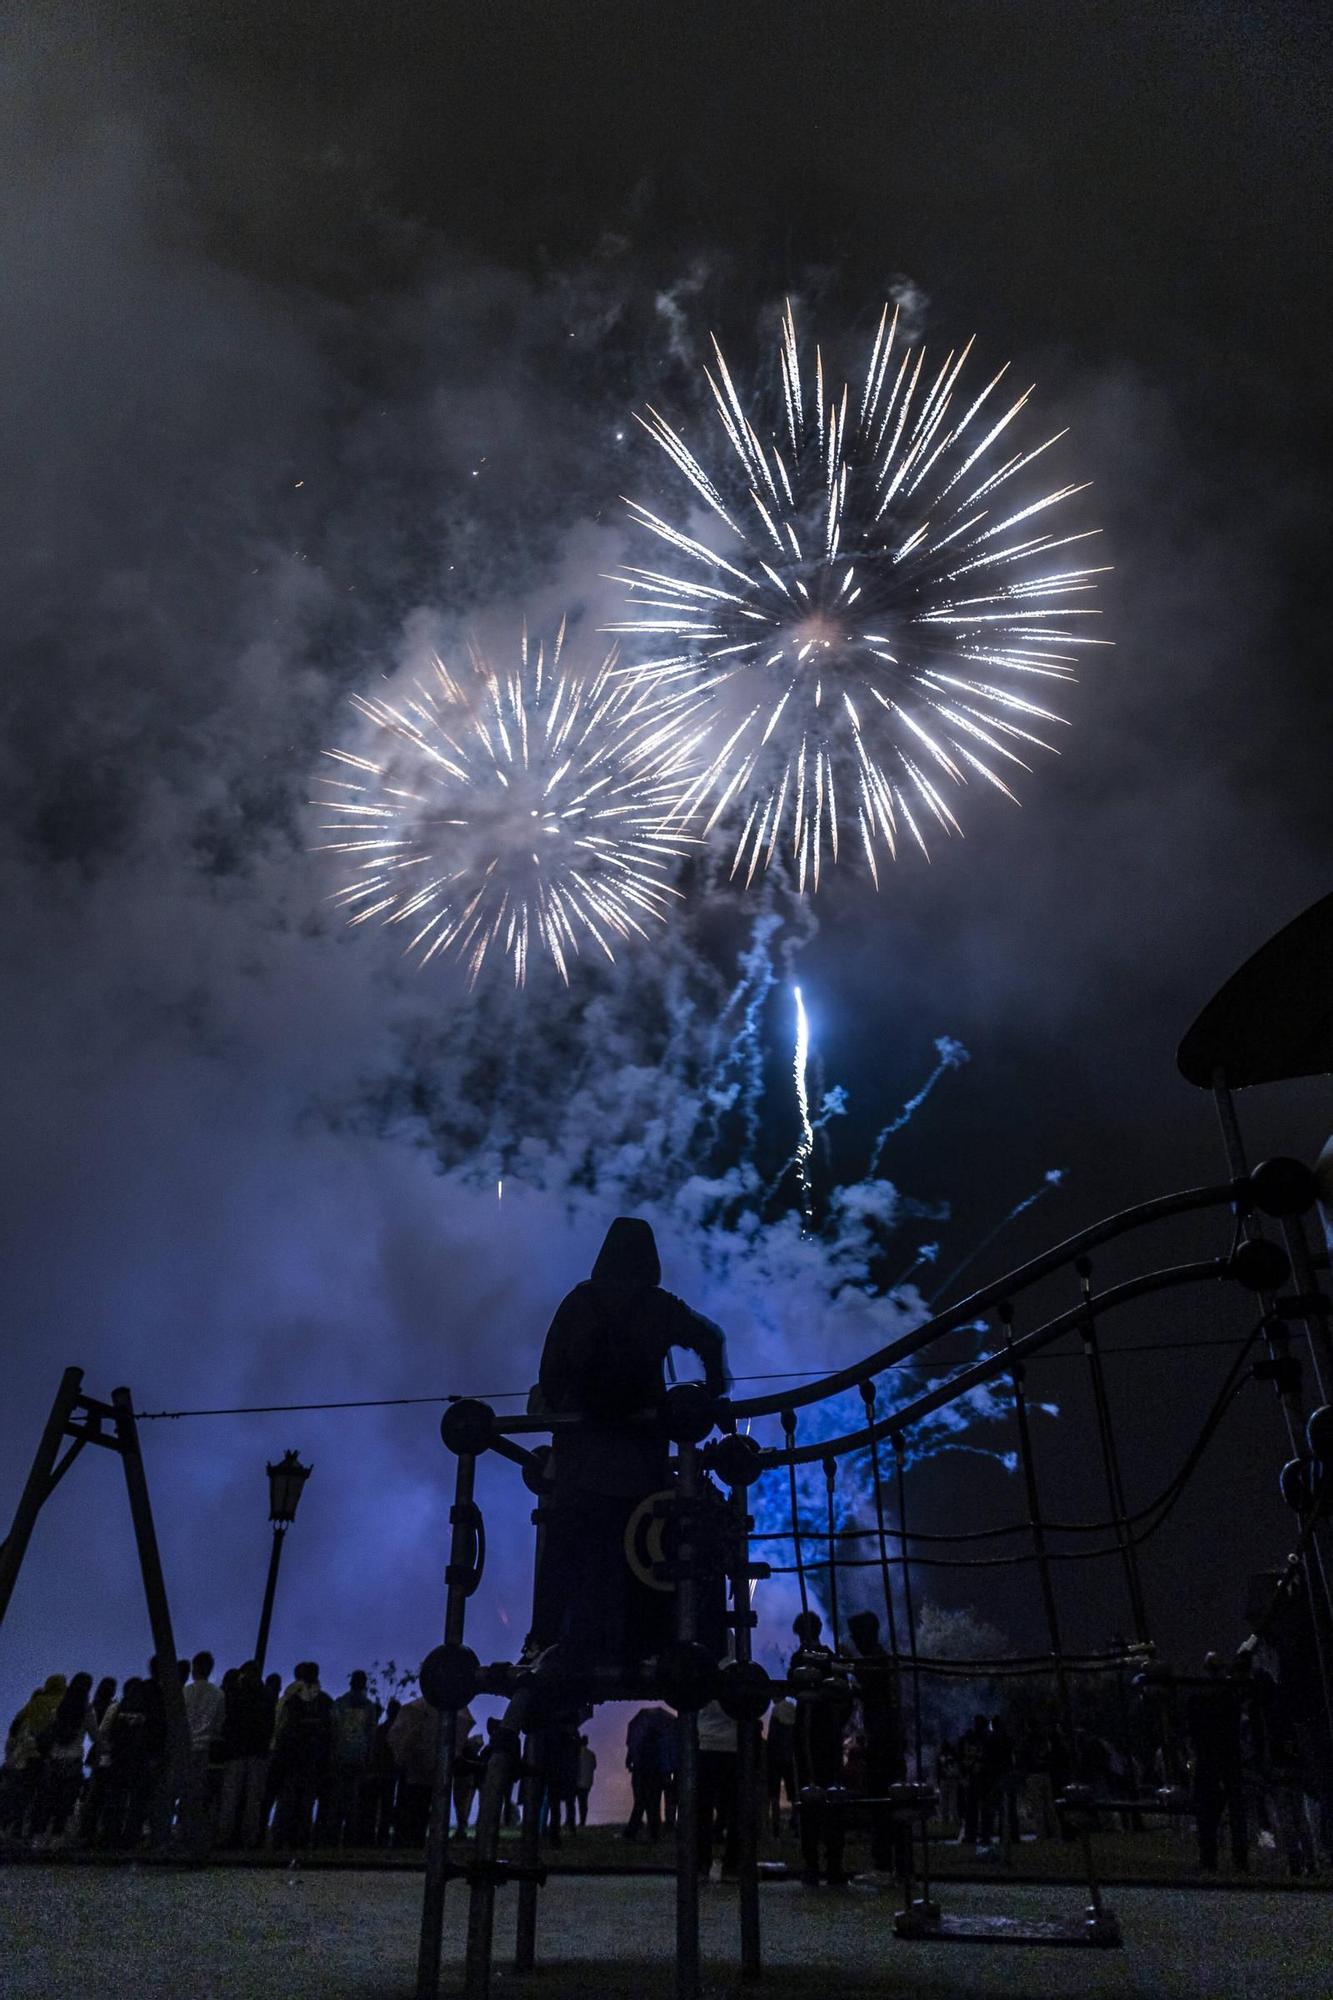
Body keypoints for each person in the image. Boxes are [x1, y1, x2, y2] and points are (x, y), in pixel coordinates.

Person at [530, 1217, 729, 1673]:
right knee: (646, 1557)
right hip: (642, 1468)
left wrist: (569, 1410)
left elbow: (549, 1373)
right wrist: (711, 1394)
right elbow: (710, 1338)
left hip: (580, 1465)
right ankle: (650, 1648)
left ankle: (546, 1641)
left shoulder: (578, 1303)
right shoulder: (658, 1306)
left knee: (566, 1553)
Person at [790, 1610, 854, 1886]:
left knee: (813, 1797)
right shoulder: (829, 1657)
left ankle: (817, 1864)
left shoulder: (806, 1658)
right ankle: (829, 1864)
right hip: (825, 1732)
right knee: (827, 1797)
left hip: (812, 1733)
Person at [846, 1610, 907, 1879]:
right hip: (886, 1738)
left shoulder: (877, 1661)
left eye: (857, 1635)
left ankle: (885, 1864)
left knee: (883, 1804)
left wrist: (849, 1663)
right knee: (891, 1805)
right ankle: (899, 1865)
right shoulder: (882, 1660)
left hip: (883, 1741)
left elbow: (866, 1682)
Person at [1187, 1653, 1249, 1872]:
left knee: (1209, 1813)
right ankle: (1238, 1859)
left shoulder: (1198, 1697)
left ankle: (1210, 1858)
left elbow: (1191, 1728)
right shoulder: (1228, 1697)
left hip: (1210, 1757)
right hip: (1226, 1756)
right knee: (1232, 1812)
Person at [270, 1663, 334, 1850]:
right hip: (312, 1758)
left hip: (292, 1758)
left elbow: (278, 1726)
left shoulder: (289, 1700)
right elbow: (332, 1731)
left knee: (288, 1799)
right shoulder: (324, 1701)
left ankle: (282, 1838)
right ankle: (299, 1839)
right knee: (304, 1801)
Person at [30, 1673, 95, 1846]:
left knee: (48, 1799)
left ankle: (38, 1837)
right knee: (65, 1803)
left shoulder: (60, 1708)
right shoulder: (86, 1709)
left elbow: (51, 1731)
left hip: (54, 1759)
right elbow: (95, 1735)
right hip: (73, 1760)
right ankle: (57, 1838)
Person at [216, 1661, 276, 1849]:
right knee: (253, 1798)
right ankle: (249, 1839)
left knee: (231, 1796)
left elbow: (228, 1720)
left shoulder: (235, 1692)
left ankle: (224, 1836)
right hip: (258, 1751)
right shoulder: (267, 1695)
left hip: (236, 1750)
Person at [322, 1670, 380, 1847]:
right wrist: (369, 1757)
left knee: (337, 1800)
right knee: (353, 1801)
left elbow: (332, 1730)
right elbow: (371, 1734)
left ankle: (332, 1838)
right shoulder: (368, 1707)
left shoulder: (340, 1703)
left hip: (340, 1757)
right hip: (358, 1759)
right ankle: (348, 1839)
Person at [182, 1651, 225, 1847]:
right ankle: (196, 1835)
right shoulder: (218, 1694)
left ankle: (182, 1832)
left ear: (194, 1668)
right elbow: (219, 1723)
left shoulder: (185, 1692)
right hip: (206, 1747)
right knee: (200, 1794)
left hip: (185, 1747)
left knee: (184, 1792)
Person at [623, 1705, 673, 1842]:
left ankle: (631, 1832)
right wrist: (667, 1775)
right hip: (655, 1777)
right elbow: (665, 1763)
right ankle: (653, 1833)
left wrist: (632, 1766)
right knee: (654, 1805)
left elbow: (629, 1761)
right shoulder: (661, 1744)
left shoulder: (637, 1744)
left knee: (639, 1803)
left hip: (639, 1776)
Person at [765, 1695, 798, 1837]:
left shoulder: (776, 1712)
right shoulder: (792, 1710)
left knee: (774, 1794)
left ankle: (775, 1824)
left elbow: (772, 1737)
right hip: (790, 1756)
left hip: (776, 1757)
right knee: (794, 1793)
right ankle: (795, 1821)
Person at [575, 1733, 597, 1827]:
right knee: (584, 1802)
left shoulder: (576, 1754)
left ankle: (575, 1821)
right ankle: (583, 1821)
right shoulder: (591, 1754)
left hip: (578, 1781)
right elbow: (594, 1766)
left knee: (577, 1802)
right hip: (588, 1781)